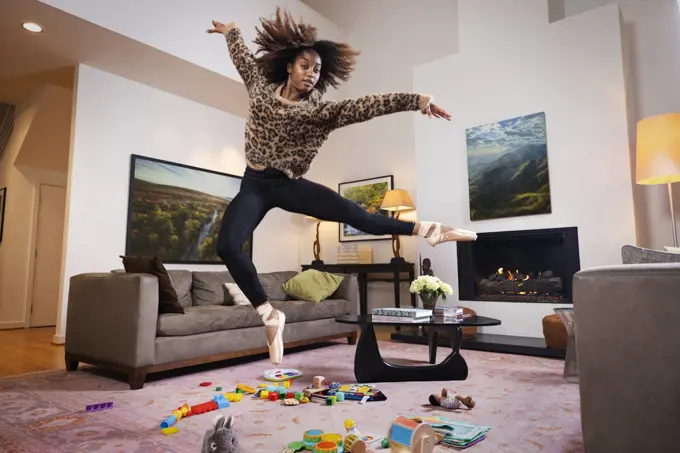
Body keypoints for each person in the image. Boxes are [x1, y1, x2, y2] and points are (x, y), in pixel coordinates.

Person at [206, 8, 477, 365]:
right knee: (227, 246)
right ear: (290, 66)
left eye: (317, 70)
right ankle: (270, 314)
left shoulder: (322, 112)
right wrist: (231, 31)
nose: (311, 75)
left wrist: (416, 100)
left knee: (358, 215)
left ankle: (428, 229)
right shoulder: (259, 87)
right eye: (305, 66)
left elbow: (367, 105)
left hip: (288, 184)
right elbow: (242, 58)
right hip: (254, 183)